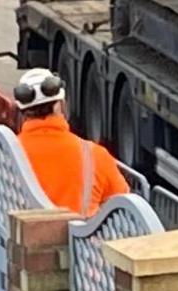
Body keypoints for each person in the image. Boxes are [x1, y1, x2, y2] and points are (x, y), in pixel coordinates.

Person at [10, 68, 131, 217]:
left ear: (22, 111)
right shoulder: (95, 155)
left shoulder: (6, 154)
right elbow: (123, 204)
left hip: (20, 239)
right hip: (81, 239)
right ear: (61, 104)